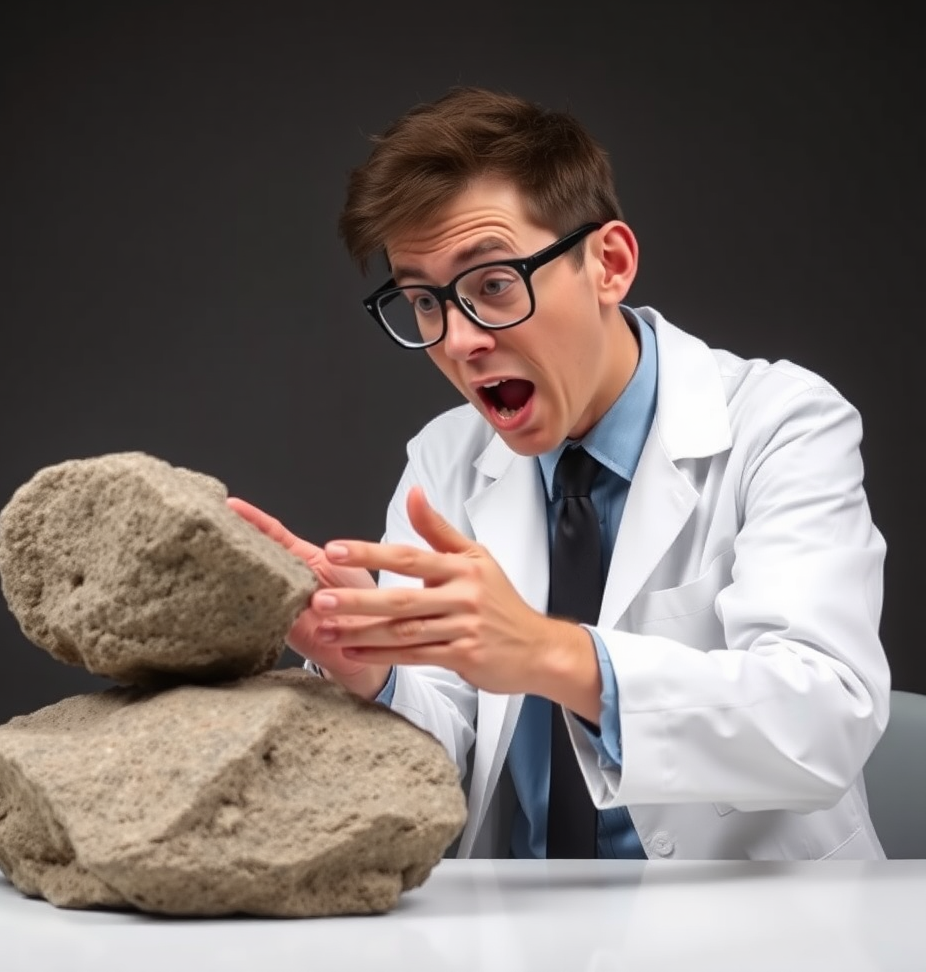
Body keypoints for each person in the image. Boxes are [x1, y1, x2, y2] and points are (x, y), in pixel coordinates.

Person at [228, 87, 890, 860]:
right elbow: (443, 751)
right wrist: (369, 672)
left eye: (494, 284)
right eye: (423, 300)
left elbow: (825, 720)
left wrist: (551, 654)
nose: (460, 340)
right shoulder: (445, 461)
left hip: (755, 928)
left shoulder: (783, 423)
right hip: (525, 925)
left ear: (608, 264)